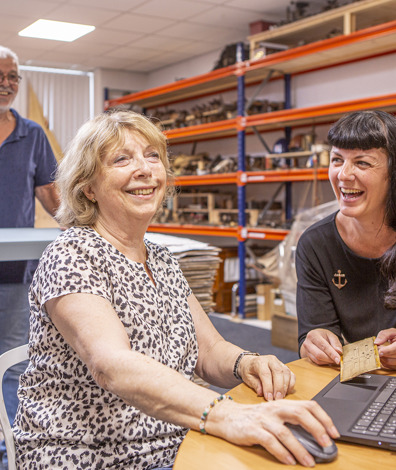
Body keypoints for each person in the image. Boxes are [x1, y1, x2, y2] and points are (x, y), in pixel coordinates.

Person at [13, 110, 338, 469]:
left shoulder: (162, 259)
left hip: (174, 439)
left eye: (153, 156)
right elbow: (111, 365)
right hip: (92, 454)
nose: (145, 169)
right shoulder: (72, 253)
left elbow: (208, 349)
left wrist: (247, 362)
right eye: (122, 159)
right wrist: (226, 414)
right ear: (88, 187)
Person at [296, 110, 396, 368]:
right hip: (360, 381)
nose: (343, 175)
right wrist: (315, 342)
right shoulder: (315, 245)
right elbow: (315, 330)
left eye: (362, 163)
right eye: (337, 160)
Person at [0, 46, 59, 464]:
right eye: (0, 76)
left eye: (14, 77)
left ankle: (14, 447)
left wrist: (89, 228)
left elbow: (52, 197)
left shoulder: (32, 134)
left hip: (16, 272)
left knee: (13, 361)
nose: (7, 84)